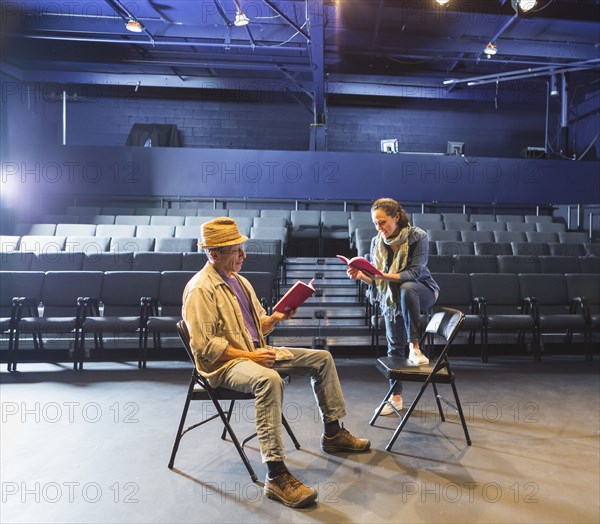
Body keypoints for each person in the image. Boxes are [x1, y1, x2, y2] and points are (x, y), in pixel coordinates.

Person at [182, 217, 370, 509]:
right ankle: (276, 475)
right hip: (224, 365)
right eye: (236, 250)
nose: (244, 255)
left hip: (254, 351)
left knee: (322, 358)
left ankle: (333, 433)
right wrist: (250, 356)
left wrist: (278, 316)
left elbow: (258, 326)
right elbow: (205, 348)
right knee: (268, 380)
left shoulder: (238, 281)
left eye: (242, 249)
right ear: (214, 254)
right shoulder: (200, 289)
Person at [346, 198, 439, 416]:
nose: (379, 228)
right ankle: (395, 398)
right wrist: (361, 276)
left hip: (422, 290)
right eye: (375, 223)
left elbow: (415, 273)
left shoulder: (418, 236)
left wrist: (381, 275)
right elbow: (379, 282)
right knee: (393, 346)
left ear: (396, 217)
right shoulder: (377, 241)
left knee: (407, 287)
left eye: (383, 222)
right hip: (392, 298)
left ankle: (415, 347)